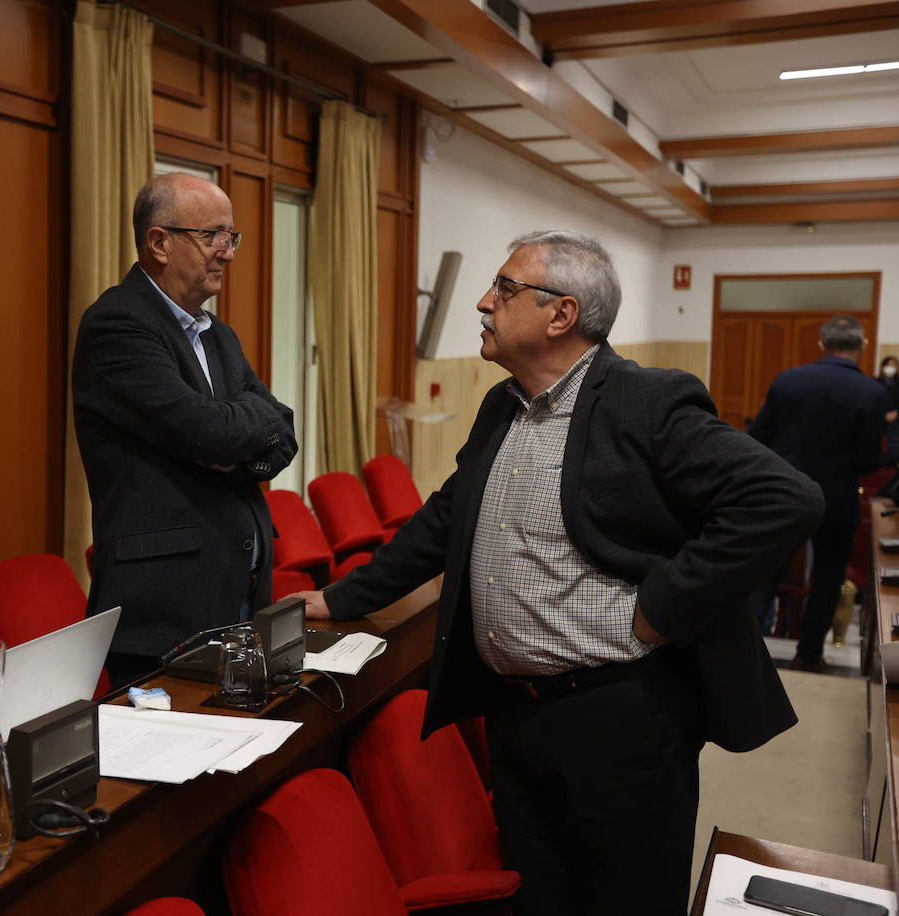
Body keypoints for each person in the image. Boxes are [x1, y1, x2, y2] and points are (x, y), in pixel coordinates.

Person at [295, 230, 822, 915]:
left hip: (622, 718)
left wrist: (658, 609)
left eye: (505, 289)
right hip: (516, 715)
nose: (484, 303)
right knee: (539, 899)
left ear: (560, 314)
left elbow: (784, 499)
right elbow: (444, 520)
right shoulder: (501, 406)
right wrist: (339, 598)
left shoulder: (646, 401)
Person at [72, 173, 296, 688]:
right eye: (213, 236)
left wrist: (235, 442)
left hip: (238, 596)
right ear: (159, 243)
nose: (228, 253)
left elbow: (282, 430)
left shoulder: (218, 334)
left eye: (232, 237)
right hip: (164, 610)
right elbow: (208, 433)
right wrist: (229, 437)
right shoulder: (118, 325)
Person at [748, 316, 890, 669]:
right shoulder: (872, 392)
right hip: (837, 497)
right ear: (863, 346)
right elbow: (869, 460)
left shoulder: (789, 380)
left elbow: (758, 437)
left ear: (821, 344)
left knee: (765, 570)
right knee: (827, 577)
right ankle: (809, 655)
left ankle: (745, 648)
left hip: (783, 492)